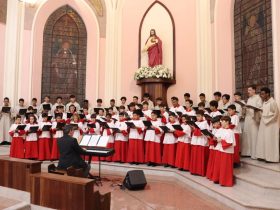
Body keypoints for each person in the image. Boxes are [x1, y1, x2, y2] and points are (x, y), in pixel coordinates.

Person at [256, 87, 279, 162]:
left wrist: (267, 120)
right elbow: (264, 113)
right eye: (261, 94)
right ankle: (262, 156)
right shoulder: (264, 102)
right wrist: (259, 111)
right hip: (264, 124)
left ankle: (271, 158)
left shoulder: (273, 102)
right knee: (262, 139)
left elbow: (276, 114)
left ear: (267, 94)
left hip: (271, 125)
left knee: (270, 141)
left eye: (262, 94)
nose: (261, 95)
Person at [211, 116, 235, 187]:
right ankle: (217, 179)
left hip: (226, 151)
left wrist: (221, 140)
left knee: (225, 167)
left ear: (227, 122)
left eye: (223, 121)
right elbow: (215, 137)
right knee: (219, 165)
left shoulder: (230, 132)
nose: (221, 122)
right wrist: (215, 138)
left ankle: (225, 181)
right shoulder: (221, 129)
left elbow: (230, 142)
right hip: (219, 149)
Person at [241, 85, 262, 159]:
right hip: (248, 119)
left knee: (254, 136)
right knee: (247, 135)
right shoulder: (249, 99)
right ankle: (248, 152)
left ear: (254, 90)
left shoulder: (258, 98)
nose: (248, 92)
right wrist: (244, 108)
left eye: (249, 90)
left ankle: (255, 154)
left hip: (254, 119)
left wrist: (253, 109)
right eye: (248, 90)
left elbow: (260, 108)